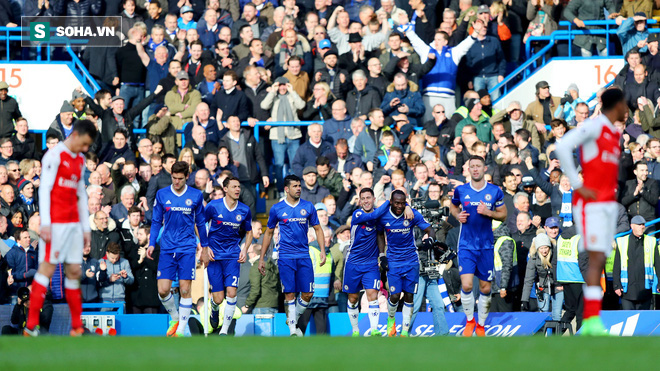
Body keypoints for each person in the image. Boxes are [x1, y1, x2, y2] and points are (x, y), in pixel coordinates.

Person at [555, 88, 627, 335]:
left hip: (605, 204)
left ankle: (591, 321)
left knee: (597, 260)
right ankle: (591, 322)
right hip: (590, 204)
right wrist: (577, 184)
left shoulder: (614, 135)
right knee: (593, 258)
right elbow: (563, 146)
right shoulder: (595, 127)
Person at [24, 120, 97, 337]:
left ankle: (76, 327)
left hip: (74, 225)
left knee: (74, 271)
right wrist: (45, 223)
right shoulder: (53, 156)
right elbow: (44, 189)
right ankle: (31, 326)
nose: (85, 148)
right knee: (46, 269)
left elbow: (81, 194)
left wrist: (86, 228)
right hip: (55, 224)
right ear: (74, 135)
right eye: (84, 143)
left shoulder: (80, 159)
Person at [258, 174, 325, 336]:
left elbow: (317, 229)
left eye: (299, 186)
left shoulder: (308, 207)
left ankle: (293, 317)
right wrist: (261, 257)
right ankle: (293, 330)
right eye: (295, 186)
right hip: (286, 256)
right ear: (286, 189)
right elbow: (268, 233)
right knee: (289, 292)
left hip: (303, 255)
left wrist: (322, 250)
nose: (298, 189)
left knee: (308, 293)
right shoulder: (277, 208)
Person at [147, 161, 209, 337]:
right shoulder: (162, 194)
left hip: (187, 248)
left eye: (180, 179)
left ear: (187, 177)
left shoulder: (196, 196)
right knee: (163, 289)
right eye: (174, 178)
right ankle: (175, 317)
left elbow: (201, 222)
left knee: (184, 289)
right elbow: (156, 221)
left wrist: (204, 247)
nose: (176, 182)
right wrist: (152, 243)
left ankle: (181, 330)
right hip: (167, 247)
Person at [449, 155, 507, 336]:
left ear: (484, 169)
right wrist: (458, 216)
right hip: (466, 245)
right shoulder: (461, 190)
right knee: (466, 286)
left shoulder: (495, 191)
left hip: (486, 246)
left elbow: (503, 214)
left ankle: (481, 325)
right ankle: (469, 320)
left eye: (478, 166)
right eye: (472, 166)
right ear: (468, 169)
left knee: (486, 288)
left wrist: (488, 212)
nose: (475, 169)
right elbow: (452, 206)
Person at [377, 190, 437, 337]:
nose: (399, 206)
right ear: (391, 202)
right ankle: (391, 320)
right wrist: (382, 255)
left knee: (409, 296)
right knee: (395, 296)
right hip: (394, 261)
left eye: (403, 203)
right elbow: (379, 234)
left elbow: (430, 229)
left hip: (411, 261)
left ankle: (404, 331)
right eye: (396, 203)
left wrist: (430, 239)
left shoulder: (411, 214)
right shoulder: (384, 215)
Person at [344, 188, 400, 337]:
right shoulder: (358, 214)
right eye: (363, 198)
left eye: (368, 198)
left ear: (374, 199)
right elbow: (374, 214)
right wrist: (390, 201)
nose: (366, 201)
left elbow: (380, 235)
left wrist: (382, 255)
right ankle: (355, 330)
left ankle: (374, 329)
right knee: (353, 298)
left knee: (372, 295)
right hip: (353, 263)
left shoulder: (379, 218)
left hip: (370, 264)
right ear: (360, 201)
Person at [203, 175, 253, 335]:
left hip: (232, 255)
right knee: (218, 298)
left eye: (239, 186)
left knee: (232, 293)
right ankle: (214, 308)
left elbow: (250, 232)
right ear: (225, 189)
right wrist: (205, 246)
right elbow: (199, 223)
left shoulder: (244, 210)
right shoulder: (214, 206)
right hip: (214, 256)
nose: (238, 189)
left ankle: (224, 330)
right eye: (234, 186)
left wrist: (244, 249)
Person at [613, 215, 660, 310]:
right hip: (627, 291)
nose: (642, 227)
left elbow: (658, 265)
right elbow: (617, 265)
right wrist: (617, 285)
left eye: (643, 224)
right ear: (632, 226)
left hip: (645, 290)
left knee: (643, 322)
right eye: (639, 225)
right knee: (629, 319)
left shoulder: (651, 241)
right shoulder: (622, 241)